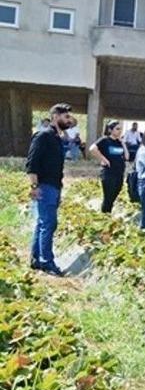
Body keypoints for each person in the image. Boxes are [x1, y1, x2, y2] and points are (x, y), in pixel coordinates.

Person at [26, 103, 74, 276]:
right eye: (66, 117)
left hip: (54, 186)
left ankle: (36, 259)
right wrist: (34, 186)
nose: (69, 120)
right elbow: (32, 163)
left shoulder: (57, 138)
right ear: (55, 116)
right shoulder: (43, 136)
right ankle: (47, 262)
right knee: (49, 223)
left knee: (42, 223)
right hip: (44, 186)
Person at [89, 120, 127, 213]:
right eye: (117, 129)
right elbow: (92, 148)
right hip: (109, 173)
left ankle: (107, 213)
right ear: (110, 130)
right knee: (108, 197)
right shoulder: (105, 140)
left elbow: (127, 156)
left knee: (114, 195)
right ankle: (105, 215)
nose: (119, 131)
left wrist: (123, 143)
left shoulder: (119, 142)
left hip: (119, 173)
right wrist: (103, 159)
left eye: (120, 129)